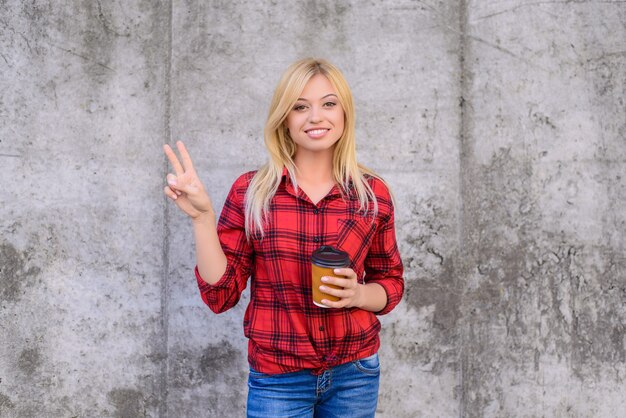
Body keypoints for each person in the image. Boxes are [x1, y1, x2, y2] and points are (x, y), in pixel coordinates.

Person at [163, 58, 404, 418]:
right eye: (300, 107)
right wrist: (202, 218)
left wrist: (358, 294)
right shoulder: (252, 192)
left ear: (345, 113)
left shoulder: (372, 194)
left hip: (355, 373)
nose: (315, 116)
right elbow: (220, 294)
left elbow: (391, 283)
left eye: (328, 103)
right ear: (284, 119)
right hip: (279, 378)